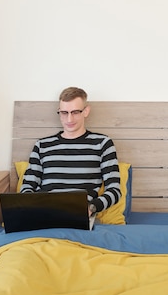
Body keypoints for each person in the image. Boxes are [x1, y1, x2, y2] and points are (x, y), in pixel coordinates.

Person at [20, 87, 121, 216]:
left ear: (86, 111)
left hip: (79, 214)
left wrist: (91, 208)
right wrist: (34, 206)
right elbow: (27, 187)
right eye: (64, 113)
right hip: (44, 213)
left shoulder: (102, 143)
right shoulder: (42, 145)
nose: (69, 119)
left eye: (75, 112)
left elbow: (114, 190)